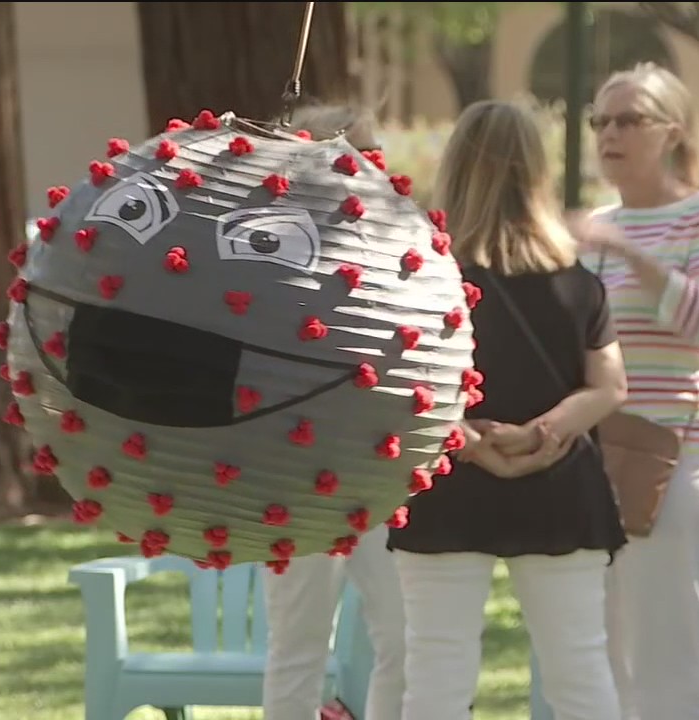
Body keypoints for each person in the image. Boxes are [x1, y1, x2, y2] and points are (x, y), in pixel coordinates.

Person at [386, 99, 630, 720]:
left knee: (436, 672)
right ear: (536, 173)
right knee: (579, 670)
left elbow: (392, 384)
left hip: (444, 480)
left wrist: (468, 441)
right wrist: (545, 433)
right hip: (558, 478)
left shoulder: (421, 277)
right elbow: (609, 386)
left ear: (458, 168)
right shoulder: (577, 282)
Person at [571, 62, 699, 720]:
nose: (609, 133)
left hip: (681, 460)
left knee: (675, 667)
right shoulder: (597, 226)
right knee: (606, 663)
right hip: (600, 462)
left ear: (672, 132)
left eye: (628, 119)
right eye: (601, 121)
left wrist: (634, 255)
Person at [260, 103, 407, 720]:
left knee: (406, 632)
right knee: (297, 642)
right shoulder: (265, 247)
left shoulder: (401, 249)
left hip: (379, 465)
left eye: (369, 159)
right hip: (296, 471)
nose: (363, 172)